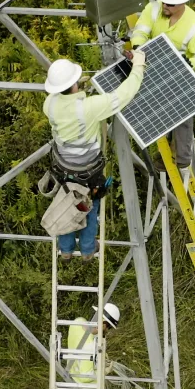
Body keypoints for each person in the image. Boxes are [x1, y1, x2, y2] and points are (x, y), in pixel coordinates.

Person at [43, 50, 146, 261]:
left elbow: (64, 98)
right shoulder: (89, 108)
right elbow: (123, 95)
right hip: (89, 171)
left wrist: (77, 86)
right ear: (74, 84)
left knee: (67, 204)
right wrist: (138, 66)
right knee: (89, 206)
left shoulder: (49, 105)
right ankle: (88, 250)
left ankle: (66, 249)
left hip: (63, 168)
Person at [129, 0, 195, 170]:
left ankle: (181, 158)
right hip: (152, 64)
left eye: (171, 4)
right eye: (164, 1)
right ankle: (155, 143)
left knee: (182, 108)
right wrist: (139, 48)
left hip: (181, 71)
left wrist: (190, 64)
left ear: (182, 3)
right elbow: (140, 31)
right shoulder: (153, 9)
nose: (166, 6)